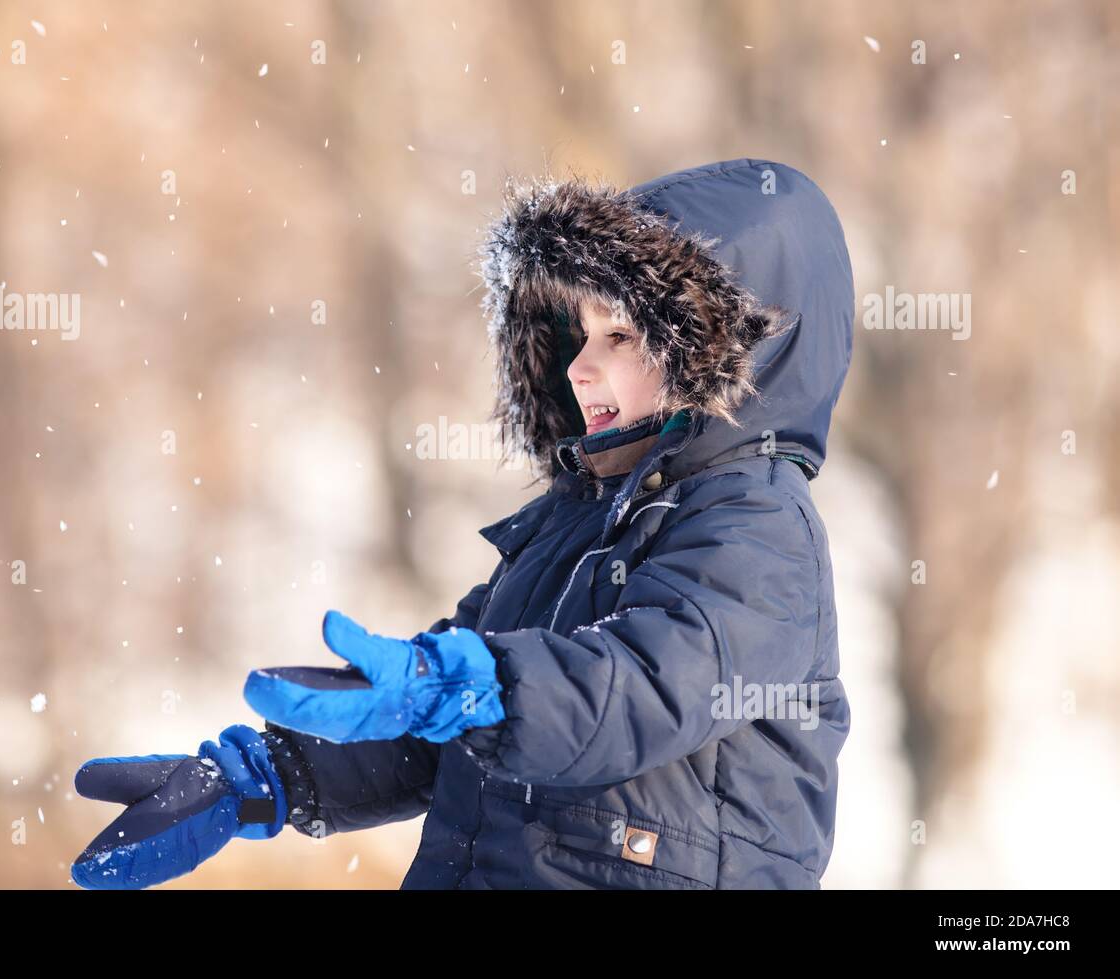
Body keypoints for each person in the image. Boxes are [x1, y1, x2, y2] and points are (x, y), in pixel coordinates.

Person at [71, 157, 855, 890]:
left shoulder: (759, 527)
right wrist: (265, 778)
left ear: (731, 346)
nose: (580, 366)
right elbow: (439, 730)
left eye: (618, 335)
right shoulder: (570, 529)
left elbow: (647, 687)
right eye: (576, 336)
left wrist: (476, 686)